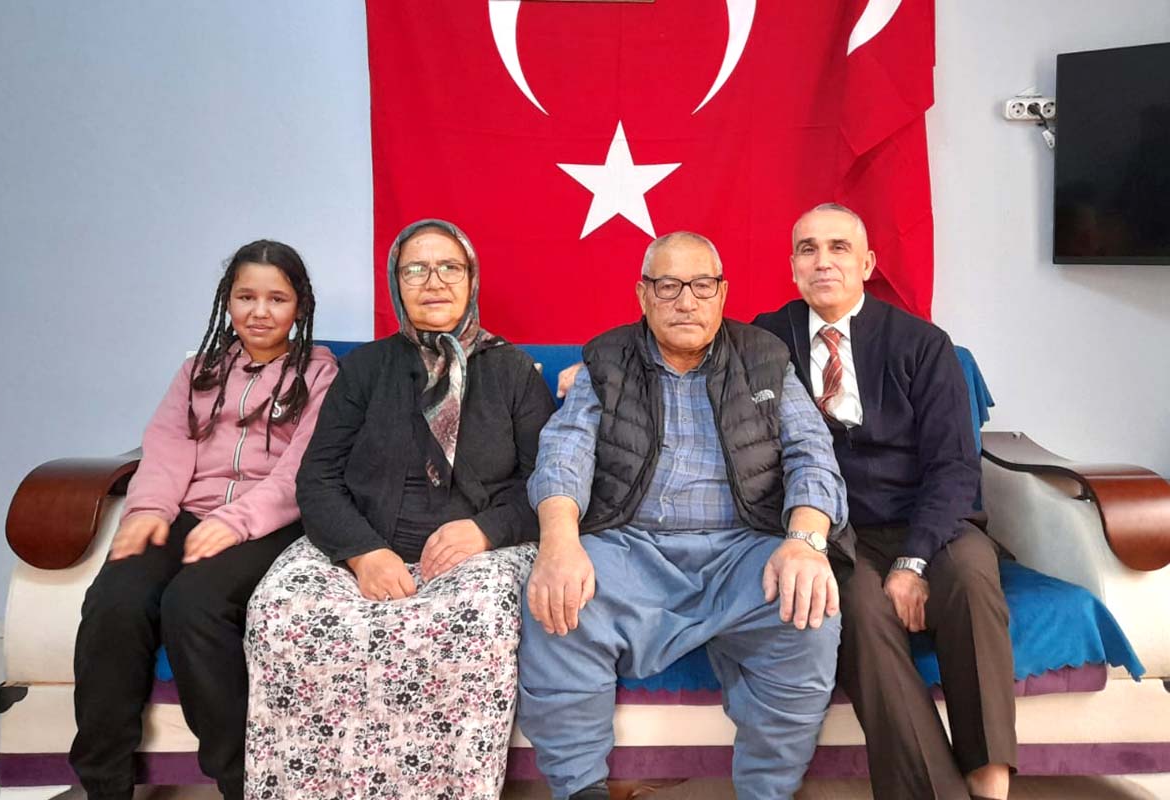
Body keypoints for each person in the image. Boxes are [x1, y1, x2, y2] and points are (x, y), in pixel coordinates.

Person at [517, 231, 848, 800]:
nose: (686, 301)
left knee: (809, 610)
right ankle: (580, 788)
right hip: (631, 547)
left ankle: (768, 792)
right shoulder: (606, 358)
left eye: (701, 285)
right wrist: (559, 541)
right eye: (668, 286)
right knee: (557, 602)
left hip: (744, 549)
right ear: (643, 295)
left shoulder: (765, 358)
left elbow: (811, 453)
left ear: (723, 293)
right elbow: (565, 452)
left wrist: (804, 541)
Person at [243, 219, 556, 800]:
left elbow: (546, 482)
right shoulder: (365, 369)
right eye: (416, 269)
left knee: (472, 622)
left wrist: (484, 531)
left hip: (477, 557)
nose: (433, 281)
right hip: (361, 546)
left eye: (449, 267)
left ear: (471, 280)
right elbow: (318, 477)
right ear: (396, 283)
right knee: (280, 610)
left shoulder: (512, 371)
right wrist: (363, 552)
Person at [753, 203, 1016, 800]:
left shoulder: (921, 343)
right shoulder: (764, 340)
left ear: (868, 263)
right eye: (808, 249)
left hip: (930, 520)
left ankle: (989, 780)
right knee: (859, 616)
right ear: (792, 267)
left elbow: (954, 465)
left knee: (972, 581)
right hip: (832, 534)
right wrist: (588, 372)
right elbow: (682, 344)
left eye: (839, 248)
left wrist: (913, 561)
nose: (823, 262)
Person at [70, 241, 338, 800]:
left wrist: (237, 521)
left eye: (276, 299)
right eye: (245, 296)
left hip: (269, 524)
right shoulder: (200, 371)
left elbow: (302, 470)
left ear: (300, 305)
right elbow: (166, 449)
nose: (259, 311)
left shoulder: (319, 373)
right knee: (114, 602)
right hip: (188, 512)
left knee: (192, 604)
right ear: (226, 301)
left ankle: (241, 780)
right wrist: (149, 511)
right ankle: (104, 782)